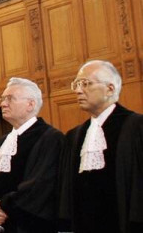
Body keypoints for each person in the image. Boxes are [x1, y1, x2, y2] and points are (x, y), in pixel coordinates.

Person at [59, 60, 143, 233]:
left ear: (110, 89)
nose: (78, 90)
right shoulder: (74, 136)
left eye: (86, 83)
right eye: (76, 84)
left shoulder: (137, 127)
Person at [0, 78, 64, 233]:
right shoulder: (0, 143)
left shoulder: (50, 138)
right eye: (2, 99)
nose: (3, 104)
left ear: (30, 104)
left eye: (10, 99)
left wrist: (4, 206)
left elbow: (40, 186)